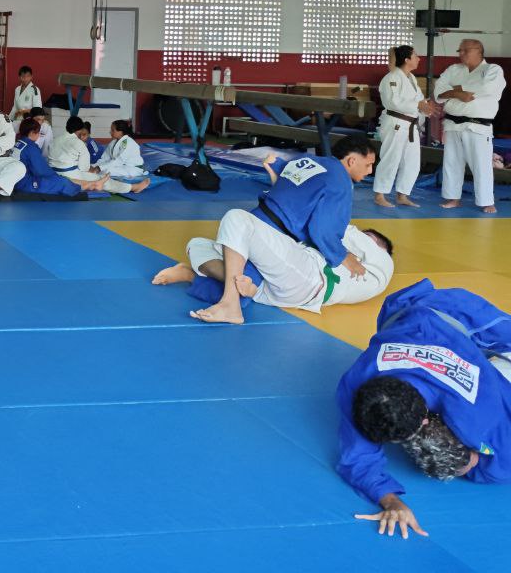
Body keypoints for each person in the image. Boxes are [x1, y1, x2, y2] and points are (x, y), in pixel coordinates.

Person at [336, 279, 511, 539]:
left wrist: (469, 462)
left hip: (462, 315)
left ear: (426, 419)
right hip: (403, 313)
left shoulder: (472, 406)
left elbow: (503, 464)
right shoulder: (356, 385)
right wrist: (391, 501)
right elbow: (357, 458)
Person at [187, 136, 378, 325]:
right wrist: (343, 257)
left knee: (224, 227)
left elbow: (282, 168)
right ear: (352, 160)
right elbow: (323, 230)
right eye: (368, 165)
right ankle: (241, 289)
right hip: (265, 236)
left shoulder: (307, 160)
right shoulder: (340, 181)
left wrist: (274, 163)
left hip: (267, 235)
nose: (370, 171)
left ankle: (227, 299)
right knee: (206, 239)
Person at [154, 224, 394, 314]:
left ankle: (202, 279)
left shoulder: (381, 262)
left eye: (366, 235)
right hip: (291, 277)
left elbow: (337, 229)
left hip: (308, 278)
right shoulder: (332, 249)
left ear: (374, 242)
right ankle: (195, 276)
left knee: (238, 220)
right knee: (197, 244)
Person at [436, 38, 506, 213]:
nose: (461, 53)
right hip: (452, 124)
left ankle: (486, 201)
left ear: (478, 51)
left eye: (465, 50)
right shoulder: (453, 69)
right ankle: (453, 198)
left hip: (478, 125)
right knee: (451, 163)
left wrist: (453, 91)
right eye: (459, 50)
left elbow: (486, 88)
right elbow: (438, 91)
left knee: (481, 165)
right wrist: (458, 93)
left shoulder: (492, 70)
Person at [376, 45, 432, 209]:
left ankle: (402, 195)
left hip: (410, 125)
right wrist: (418, 105)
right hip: (396, 123)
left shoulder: (411, 78)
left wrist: (426, 108)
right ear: (407, 60)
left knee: (412, 161)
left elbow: (419, 100)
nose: (419, 59)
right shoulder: (391, 78)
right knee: (391, 158)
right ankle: (380, 195)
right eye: (415, 56)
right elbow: (393, 102)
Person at [46, 117, 143, 195]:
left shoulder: (54, 140)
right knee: (102, 180)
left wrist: (97, 167)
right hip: (72, 176)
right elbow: (84, 168)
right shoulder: (79, 143)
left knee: (99, 172)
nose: (110, 132)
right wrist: (95, 168)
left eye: (112, 130)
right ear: (80, 130)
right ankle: (133, 187)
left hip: (55, 176)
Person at [13, 116, 81, 197]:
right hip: (24, 184)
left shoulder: (18, 143)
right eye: (38, 132)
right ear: (31, 133)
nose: (39, 135)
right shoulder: (30, 147)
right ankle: (84, 188)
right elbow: (41, 171)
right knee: (63, 182)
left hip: (15, 181)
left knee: (61, 179)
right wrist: (57, 177)